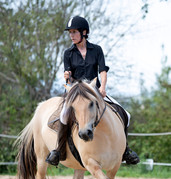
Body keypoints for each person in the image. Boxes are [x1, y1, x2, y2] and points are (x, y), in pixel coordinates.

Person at [46, 16, 139, 166]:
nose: (71, 35)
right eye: (70, 32)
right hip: (76, 93)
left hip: (94, 91)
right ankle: (58, 150)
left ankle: (125, 150)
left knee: (125, 114)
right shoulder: (68, 53)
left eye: (74, 32)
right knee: (63, 115)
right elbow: (68, 75)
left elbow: (102, 70)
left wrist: (102, 87)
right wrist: (67, 76)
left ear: (84, 32)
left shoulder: (96, 50)